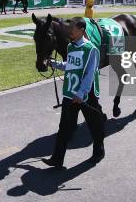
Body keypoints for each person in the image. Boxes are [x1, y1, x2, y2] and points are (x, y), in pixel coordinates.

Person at [42, 18, 105, 169]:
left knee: (93, 125)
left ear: (81, 31)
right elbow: (70, 65)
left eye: (73, 29)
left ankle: (99, 151)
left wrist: (81, 93)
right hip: (70, 93)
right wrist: (55, 64)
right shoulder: (71, 47)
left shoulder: (91, 49)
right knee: (64, 127)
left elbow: (90, 74)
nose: (70, 31)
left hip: (86, 95)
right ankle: (57, 159)